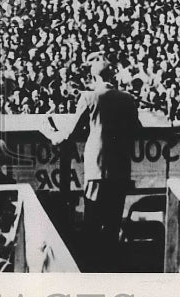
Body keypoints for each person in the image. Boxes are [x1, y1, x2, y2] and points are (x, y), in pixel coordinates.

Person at [56, 57, 140, 270]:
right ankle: (110, 266)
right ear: (112, 76)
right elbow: (136, 129)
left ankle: (90, 267)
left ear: (94, 77)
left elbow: (73, 131)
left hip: (97, 167)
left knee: (92, 220)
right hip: (120, 167)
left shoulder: (88, 96)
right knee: (113, 222)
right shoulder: (128, 99)